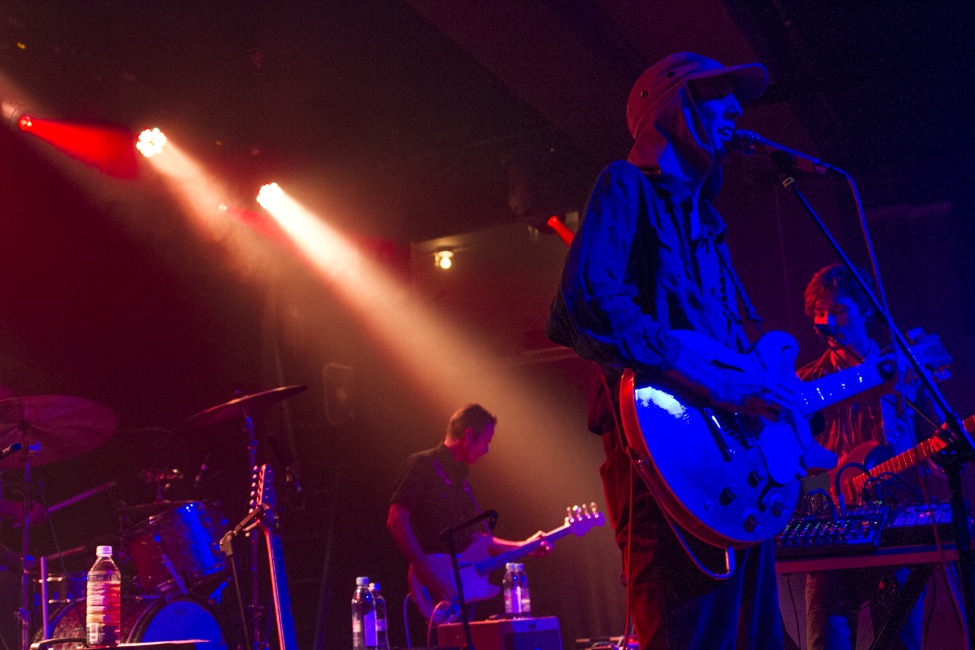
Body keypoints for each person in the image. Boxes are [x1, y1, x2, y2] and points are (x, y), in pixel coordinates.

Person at [547, 51, 787, 649]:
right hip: (663, 458)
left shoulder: (709, 224)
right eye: (716, 94)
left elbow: (729, 354)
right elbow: (586, 301)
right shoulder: (623, 185)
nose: (735, 108)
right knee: (687, 630)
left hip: (731, 467)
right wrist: (697, 373)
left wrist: (766, 388)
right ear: (668, 106)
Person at [799, 263, 942, 650]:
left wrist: (940, 454)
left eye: (838, 311)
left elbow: (936, 457)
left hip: (895, 527)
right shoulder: (805, 384)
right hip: (830, 534)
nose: (825, 323)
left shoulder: (909, 372)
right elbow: (791, 463)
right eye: (818, 313)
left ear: (865, 311)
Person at [387, 403, 550, 622]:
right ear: (469, 435)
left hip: (459, 594)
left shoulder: (461, 482)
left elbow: (478, 539)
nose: (486, 450)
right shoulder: (422, 465)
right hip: (428, 591)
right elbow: (396, 519)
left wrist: (524, 546)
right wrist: (428, 574)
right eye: (486, 441)